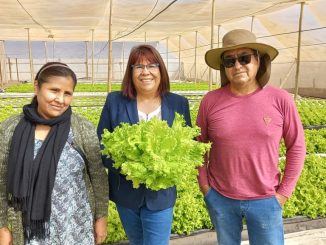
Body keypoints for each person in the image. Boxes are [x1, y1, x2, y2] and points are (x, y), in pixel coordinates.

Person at [197, 29, 306, 245]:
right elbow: (199, 146)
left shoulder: (280, 99)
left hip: (266, 200)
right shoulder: (210, 101)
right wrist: (206, 188)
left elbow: (297, 146)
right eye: (230, 61)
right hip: (221, 197)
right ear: (224, 67)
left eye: (244, 58)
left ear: (258, 60)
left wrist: (283, 193)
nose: (237, 66)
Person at [0, 62, 108, 245]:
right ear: (37, 87)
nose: (60, 99)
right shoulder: (11, 129)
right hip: (31, 230)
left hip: (75, 225)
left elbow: (98, 177)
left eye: (67, 93)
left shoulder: (81, 128)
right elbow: (1, 181)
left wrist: (101, 218)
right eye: (54, 90)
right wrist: (2, 226)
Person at [97, 44, 191, 245]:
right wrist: (133, 168)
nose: (145, 72)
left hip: (161, 196)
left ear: (161, 70)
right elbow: (103, 146)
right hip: (126, 195)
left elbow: (186, 147)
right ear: (130, 73)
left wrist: (161, 168)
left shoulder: (178, 103)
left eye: (152, 66)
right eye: (138, 67)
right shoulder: (115, 101)